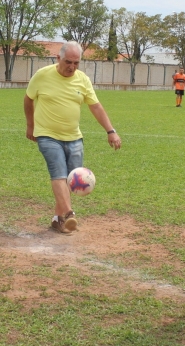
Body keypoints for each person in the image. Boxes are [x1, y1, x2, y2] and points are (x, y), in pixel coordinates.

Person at [24, 41, 122, 234]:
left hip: (74, 137)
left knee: (71, 178)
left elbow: (95, 106)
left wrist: (110, 131)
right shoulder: (42, 75)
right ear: (58, 58)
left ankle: (58, 219)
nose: (72, 67)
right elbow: (28, 99)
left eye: (76, 63)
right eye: (68, 62)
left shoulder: (82, 79)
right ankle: (69, 214)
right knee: (58, 172)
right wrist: (30, 125)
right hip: (47, 135)